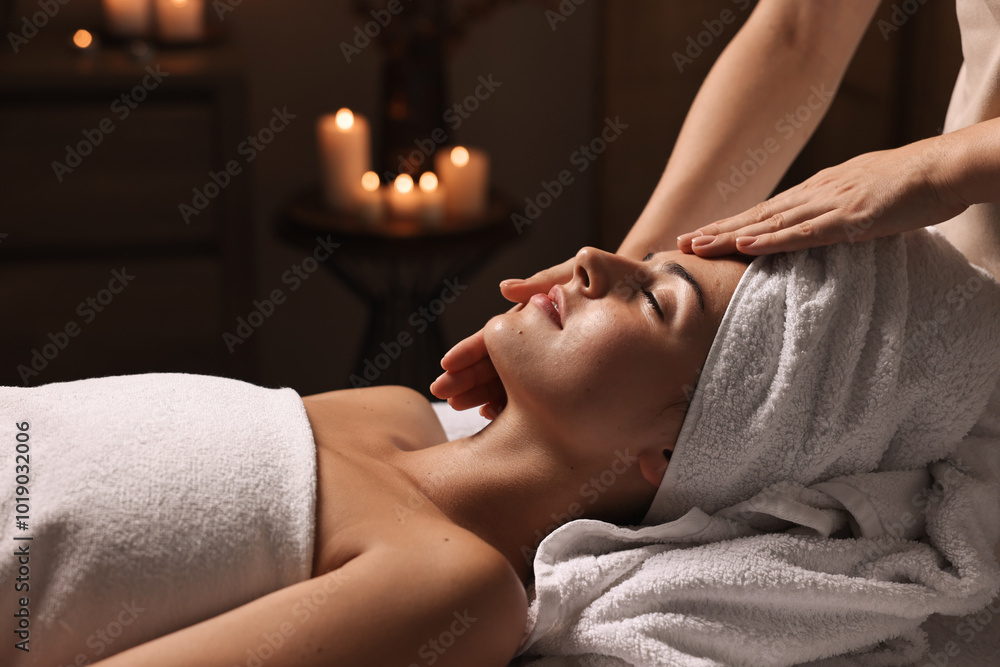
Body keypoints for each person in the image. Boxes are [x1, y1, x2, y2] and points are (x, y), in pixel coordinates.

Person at [432, 0, 1000, 419]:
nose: (583, 259)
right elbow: (799, 34)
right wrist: (636, 264)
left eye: (660, 301)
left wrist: (940, 166)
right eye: (653, 293)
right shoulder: (386, 420)